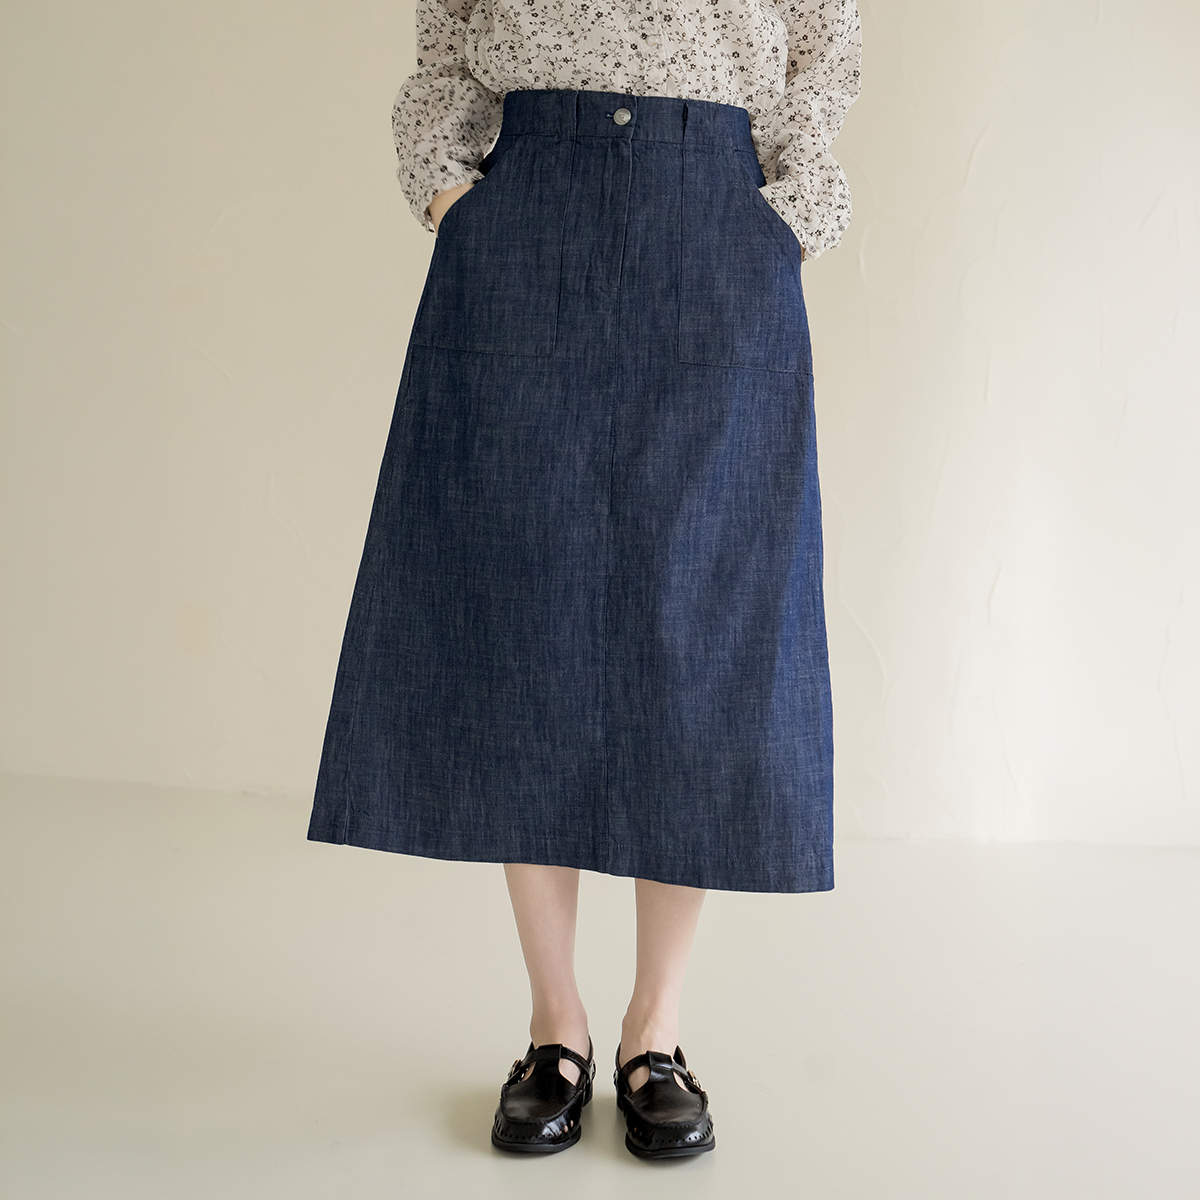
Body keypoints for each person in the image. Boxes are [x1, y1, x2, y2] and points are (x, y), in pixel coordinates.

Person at [307, 0, 861, 1161]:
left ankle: (656, 1031)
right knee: (530, 620)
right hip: (526, 222)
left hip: (717, 222)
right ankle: (553, 1026)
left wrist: (783, 221)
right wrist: (456, 202)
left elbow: (823, 52)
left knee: (696, 633)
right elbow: (447, 50)